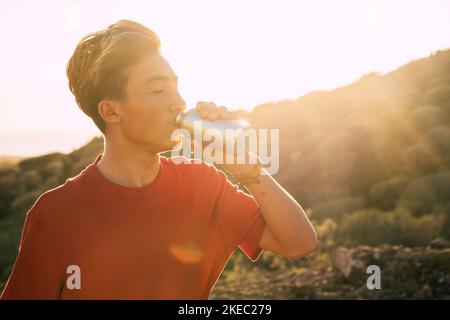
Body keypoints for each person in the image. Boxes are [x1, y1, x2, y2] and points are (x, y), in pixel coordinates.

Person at [1, 20, 317, 299]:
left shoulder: (204, 184)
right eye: (158, 90)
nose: (178, 102)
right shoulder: (55, 215)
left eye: (175, 86)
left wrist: (246, 168)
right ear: (111, 111)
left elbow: (297, 243)